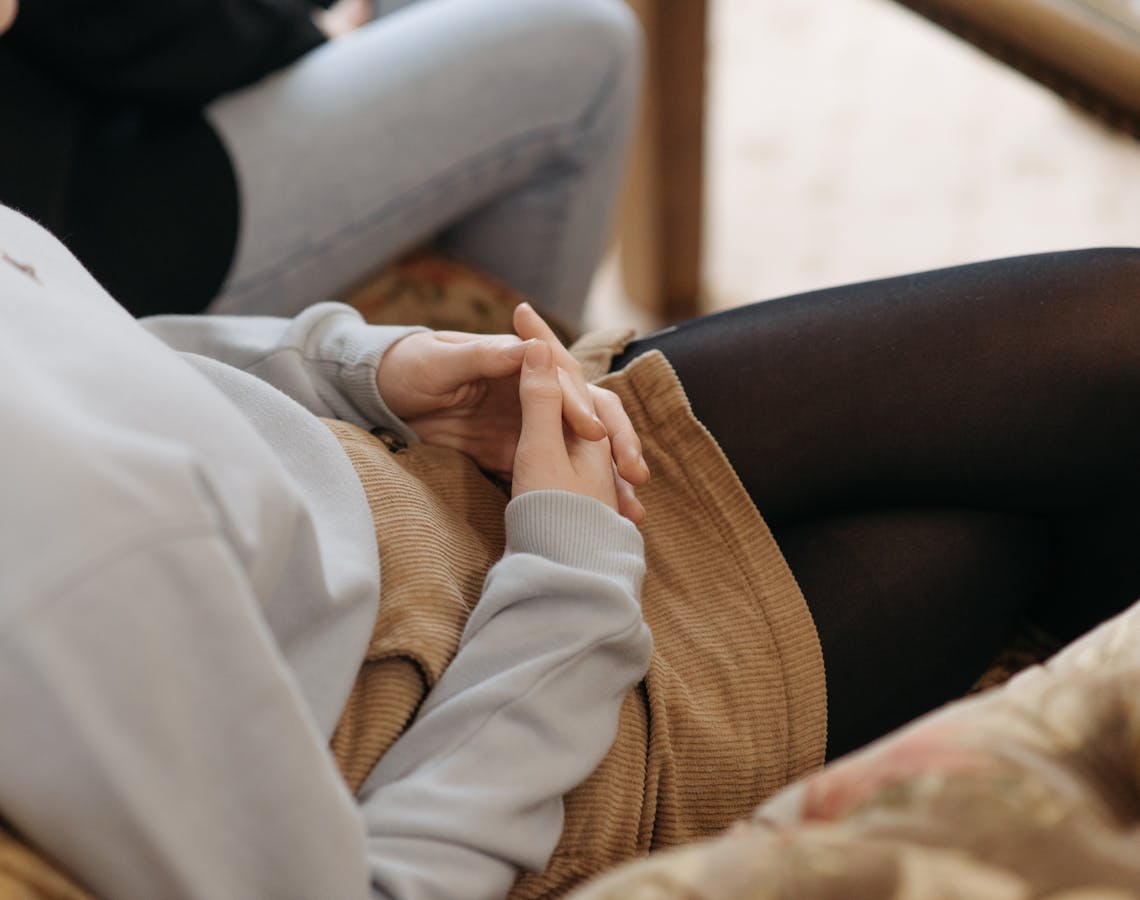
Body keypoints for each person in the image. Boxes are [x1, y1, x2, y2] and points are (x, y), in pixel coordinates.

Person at [0, 0, 640, 325]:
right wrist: (303, 33)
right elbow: (122, 27)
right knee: (587, 52)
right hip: (85, 231)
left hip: (97, 117)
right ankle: (505, 451)